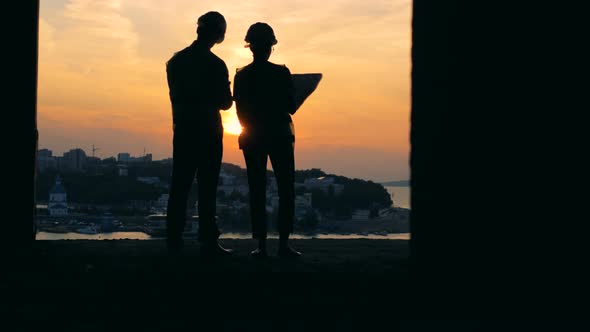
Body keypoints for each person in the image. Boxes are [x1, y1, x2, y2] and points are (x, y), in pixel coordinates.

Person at [165, 11, 233, 256]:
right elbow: (225, 103)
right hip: (209, 133)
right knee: (207, 188)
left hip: (183, 131)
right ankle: (208, 241)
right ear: (218, 34)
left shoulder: (175, 62)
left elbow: (176, 97)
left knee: (179, 186)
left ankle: (173, 241)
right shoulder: (216, 65)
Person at [233, 22, 301, 258]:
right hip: (280, 135)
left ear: (250, 47)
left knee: (257, 190)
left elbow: (240, 113)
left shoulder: (241, 76)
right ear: (271, 47)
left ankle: (261, 246)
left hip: (252, 137)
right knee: (286, 189)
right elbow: (291, 106)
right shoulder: (281, 73)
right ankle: (283, 245)